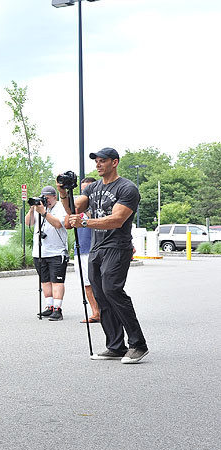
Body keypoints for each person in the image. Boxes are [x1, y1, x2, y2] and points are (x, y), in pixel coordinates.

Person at [63, 147, 148, 364]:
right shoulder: (93, 188)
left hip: (117, 247)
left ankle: (138, 344)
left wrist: (84, 222)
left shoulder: (127, 188)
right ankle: (115, 346)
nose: (98, 164)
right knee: (100, 295)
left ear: (114, 162)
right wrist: (64, 192)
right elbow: (72, 210)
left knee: (112, 290)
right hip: (97, 247)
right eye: (96, 161)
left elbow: (117, 220)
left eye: (102, 161)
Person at [25, 186, 68, 321]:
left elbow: (58, 224)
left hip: (57, 251)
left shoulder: (61, 207)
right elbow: (28, 223)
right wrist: (32, 209)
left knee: (57, 281)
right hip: (40, 252)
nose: (46, 201)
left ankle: (57, 309)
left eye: (48, 198)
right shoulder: (39, 208)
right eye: (44, 198)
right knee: (45, 281)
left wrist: (43, 212)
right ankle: (49, 306)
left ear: (54, 197)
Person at [70, 176, 100, 323]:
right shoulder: (79, 207)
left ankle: (107, 312)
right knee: (86, 283)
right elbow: (67, 223)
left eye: (88, 190)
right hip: (81, 249)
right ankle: (95, 313)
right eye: (83, 191)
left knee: (101, 283)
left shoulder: (100, 207)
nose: (85, 194)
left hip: (97, 248)